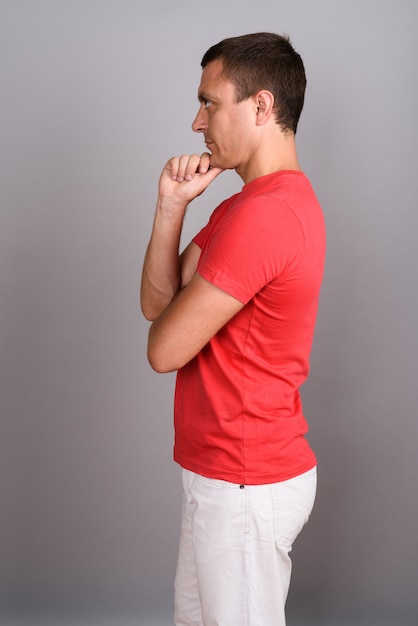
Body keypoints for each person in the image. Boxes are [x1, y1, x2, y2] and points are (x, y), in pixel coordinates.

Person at [140, 32, 326, 626]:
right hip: (223, 473)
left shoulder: (267, 216)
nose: (197, 122)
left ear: (262, 106)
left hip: (247, 479)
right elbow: (158, 303)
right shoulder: (243, 205)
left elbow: (164, 348)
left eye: (209, 102)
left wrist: (173, 320)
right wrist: (172, 206)